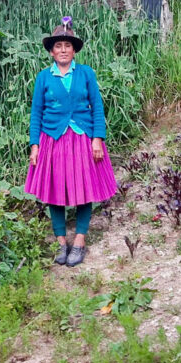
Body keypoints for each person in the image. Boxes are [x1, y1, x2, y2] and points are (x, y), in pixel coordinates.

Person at [24, 17, 117, 267]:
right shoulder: (44, 77)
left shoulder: (85, 73)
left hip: (82, 138)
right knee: (55, 192)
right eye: (58, 46)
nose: (63, 50)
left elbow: (97, 107)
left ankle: (79, 241)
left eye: (67, 45)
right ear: (51, 51)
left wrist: (97, 139)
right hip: (52, 139)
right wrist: (35, 145)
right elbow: (36, 113)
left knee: (84, 189)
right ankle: (61, 242)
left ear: (74, 49)